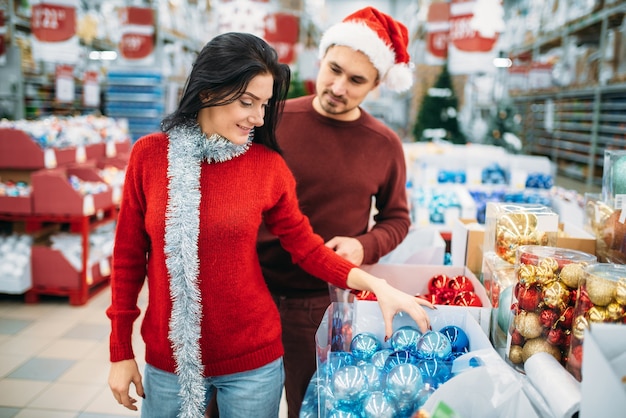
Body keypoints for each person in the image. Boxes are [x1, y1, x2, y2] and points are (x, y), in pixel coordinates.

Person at [106, 32, 433, 418]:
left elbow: (307, 247)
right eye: (248, 102)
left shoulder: (266, 166)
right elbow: (128, 259)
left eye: (264, 104)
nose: (259, 118)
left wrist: (375, 284)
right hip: (169, 360)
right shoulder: (149, 157)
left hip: (253, 360)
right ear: (208, 91)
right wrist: (120, 351)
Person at [256, 7, 416, 417]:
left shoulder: (383, 145)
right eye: (334, 69)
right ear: (321, 59)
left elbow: (397, 218)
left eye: (357, 80)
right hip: (248, 291)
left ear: (377, 84)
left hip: (319, 303)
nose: (339, 86)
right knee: (228, 406)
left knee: (309, 408)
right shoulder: (270, 119)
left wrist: (365, 246)